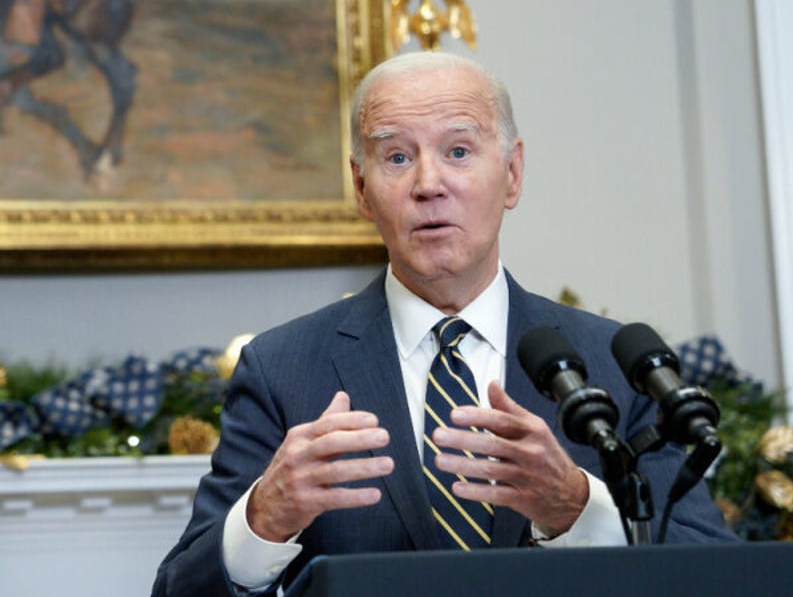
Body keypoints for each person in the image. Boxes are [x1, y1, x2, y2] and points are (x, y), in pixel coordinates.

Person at [152, 51, 735, 597]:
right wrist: (263, 519)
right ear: (362, 188)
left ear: (512, 173)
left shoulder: (610, 361)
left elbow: (716, 574)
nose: (428, 184)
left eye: (458, 151)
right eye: (397, 157)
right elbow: (181, 588)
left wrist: (578, 510)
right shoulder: (284, 367)